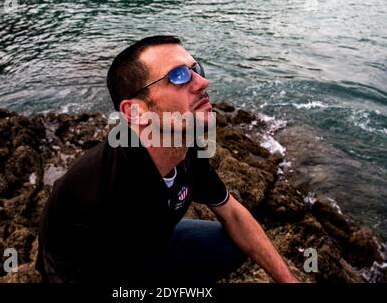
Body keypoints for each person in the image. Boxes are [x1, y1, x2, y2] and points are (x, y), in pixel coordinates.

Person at [36, 35, 299, 284]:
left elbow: (233, 214)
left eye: (196, 68)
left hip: (150, 241)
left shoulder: (186, 144)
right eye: (179, 76)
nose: (202, 82)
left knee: (231, 245)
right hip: (89, 267)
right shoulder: (100, 196)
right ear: (135, 111)